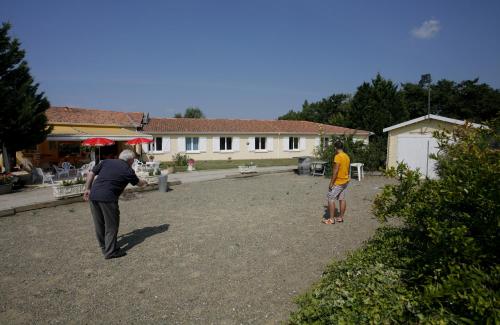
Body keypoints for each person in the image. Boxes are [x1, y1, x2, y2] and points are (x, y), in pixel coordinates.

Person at [83, 149, 147, 259]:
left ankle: (104, 246)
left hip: (93, 195)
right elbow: (138, 183)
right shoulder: (128, 170)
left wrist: (87, 188)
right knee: (111, 225)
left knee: (99, 223)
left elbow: (91, 173)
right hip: (108, 198)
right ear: (130, 160)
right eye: (133, 160)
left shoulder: (106, 162)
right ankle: (110, 252)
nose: (133, 161)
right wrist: (145, 182)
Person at [323, 141, 350, 224]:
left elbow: (335, 170)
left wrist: (331, 182)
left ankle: (331, 219)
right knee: (342, 199)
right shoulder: (346, 156)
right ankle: (340, 217)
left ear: (335, 148)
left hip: (338, 181)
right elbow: (347, 169)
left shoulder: (337, 156)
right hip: (345, 181)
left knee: (330, 198)